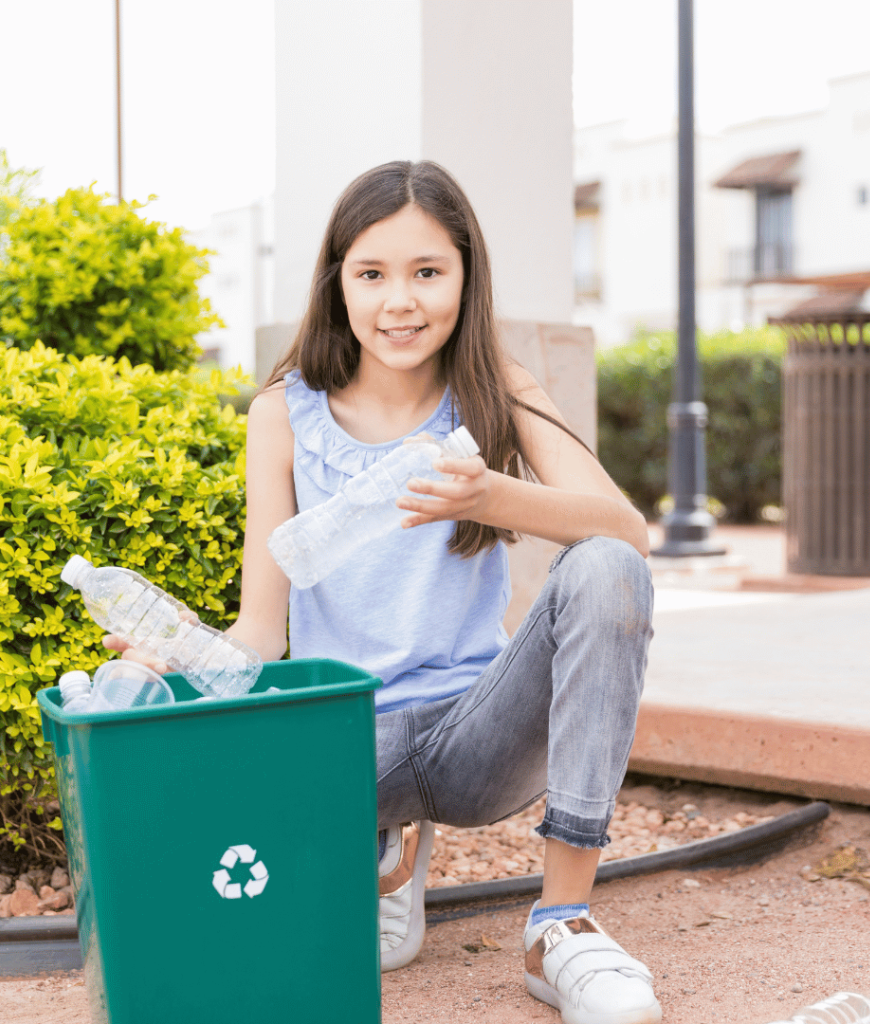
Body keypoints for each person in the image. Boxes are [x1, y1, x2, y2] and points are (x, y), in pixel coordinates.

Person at [107, 160, 661, 1024]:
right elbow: (261, 633)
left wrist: (490, 496)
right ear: (338, 282)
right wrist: (173, 661)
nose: (400, 302)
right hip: (345, 741)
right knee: (235, 831)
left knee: (607, 569)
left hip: (476, 730)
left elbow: (626, 532)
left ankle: (561, 926)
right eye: (372, 274)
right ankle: (376, 848)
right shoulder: (282, 415)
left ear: (466, 277)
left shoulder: (497, 390)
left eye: (427, 272)